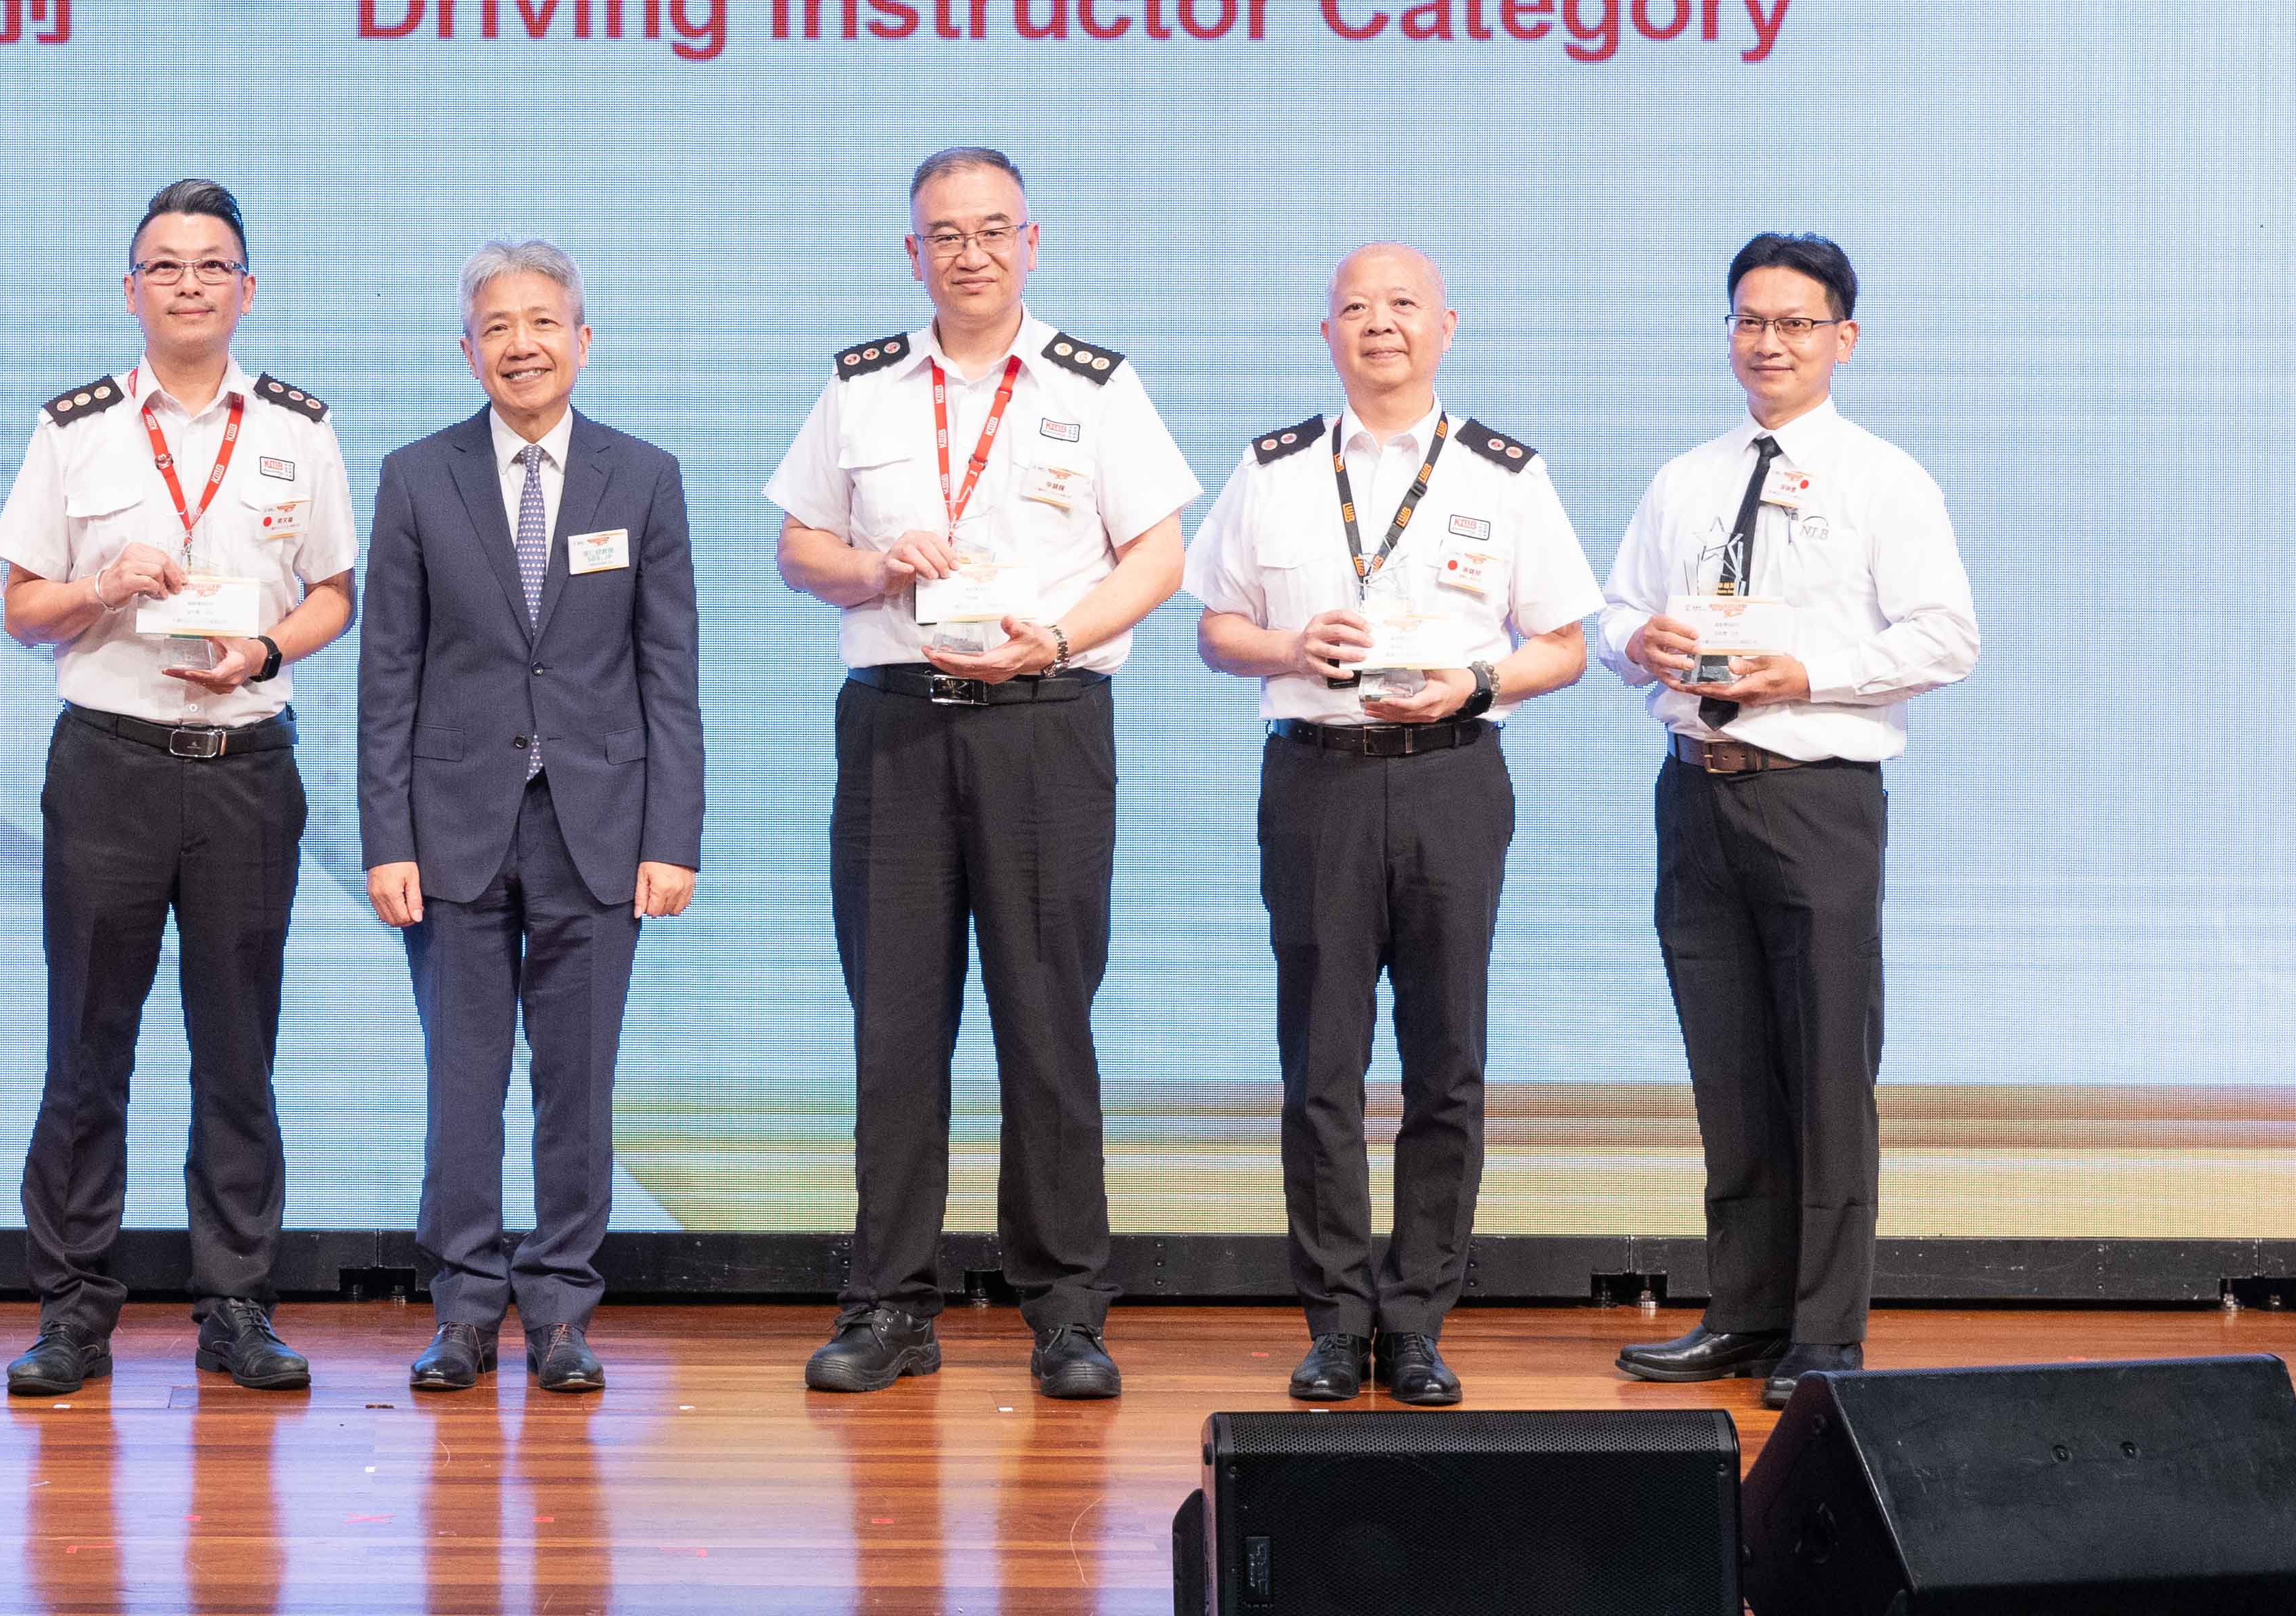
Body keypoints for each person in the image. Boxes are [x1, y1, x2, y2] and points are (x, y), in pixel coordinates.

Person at [763, 146, 1195, 1398]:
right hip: (896, 726)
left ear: (1031, 241)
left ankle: (1065, 1311)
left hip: (1047, 725)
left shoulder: (1097, 388)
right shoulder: (861, 389)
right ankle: (890, 1305)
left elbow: (1159, 554)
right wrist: (867, 570)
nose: (971, 253)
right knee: (896, 1029)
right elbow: (798, 547)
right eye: (945, 235)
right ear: (914, 254)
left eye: (993, 231)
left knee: (1047, 1025)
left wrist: (1057, 637)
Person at [1185, 244, 1597, 1409]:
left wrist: (1474, 683)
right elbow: (1217, 628)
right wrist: (1284, 647)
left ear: (1446, 326)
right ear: (1327, 334)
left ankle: (1416, 1321)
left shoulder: (1505, 475)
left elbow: (1565, 642)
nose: (1381, 325)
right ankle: (1333, 1320)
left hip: (1451, 777)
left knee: (1446, 1061)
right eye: (1356, 308)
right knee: (1320, 1062)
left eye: (1403, 305)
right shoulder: (1272, 469)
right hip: (1314, 775)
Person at [1597, 232, 1978, 1406]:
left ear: (1843, 340)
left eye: (1796, 324)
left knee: (1824, 1071)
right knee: (1730, 1069)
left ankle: (1825, 1333)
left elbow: (1944, 639)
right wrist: (1637, 643)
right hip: (1695, 790)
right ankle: (1745, 1315)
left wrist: (1801, 674)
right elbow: (1616, 613)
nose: (1769, 343)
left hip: (1815, 797)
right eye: (1749, 321)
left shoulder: (1885, 479)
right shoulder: (1687, 479)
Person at [0, 179, 358, 1396]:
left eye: (212, 266)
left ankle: (238, 1306)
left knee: (237, 1051)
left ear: (247, 290)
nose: (189, 284)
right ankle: (72, 1308)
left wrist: (265, 649)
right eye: (166, 266)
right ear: (132, 289)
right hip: (110, 764)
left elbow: (333, 596)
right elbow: (22, 612)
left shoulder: (299, 430)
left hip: (245, 768)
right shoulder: (76, 429)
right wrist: (102, 585)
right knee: (85, 1047)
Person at [358, 239, 702, 1398]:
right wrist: (386, 840)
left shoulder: (643, 477)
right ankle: (461, 1309)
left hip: (600, 825)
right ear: (467, 351)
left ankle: (560, 1309)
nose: (522, 345)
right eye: (497, 327)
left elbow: (671, 675)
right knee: (464, 1083)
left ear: (583, 340)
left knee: (578, 1081)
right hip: (451, 827)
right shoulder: (417, 477)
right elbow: (387, 675)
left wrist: (673, 837)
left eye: (544, 322)